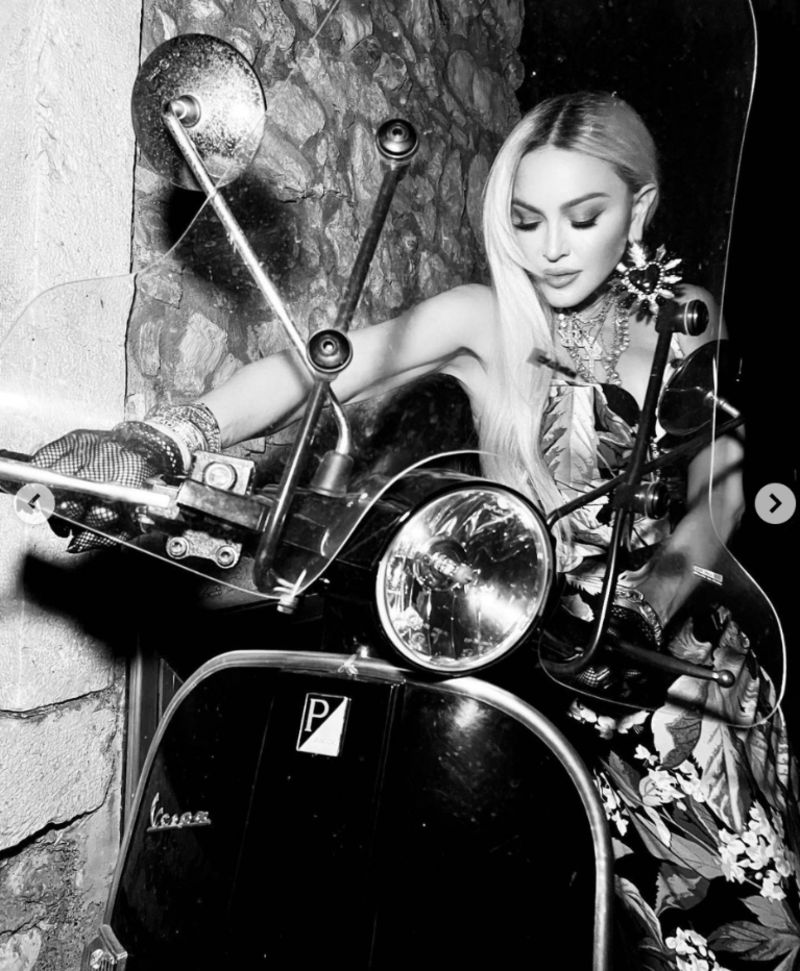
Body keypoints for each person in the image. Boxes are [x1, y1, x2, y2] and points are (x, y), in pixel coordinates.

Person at [28, 92, 800, 969]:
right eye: (527, 219)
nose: (551, 247)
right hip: (539, 663)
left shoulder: (685, 320)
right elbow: (319, 365)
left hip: (680, 673)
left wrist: (650, 599)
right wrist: (165, 436)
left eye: (583, 218)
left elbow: (721, 494)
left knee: (744, 929)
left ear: (640, 209)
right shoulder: (486, 318)